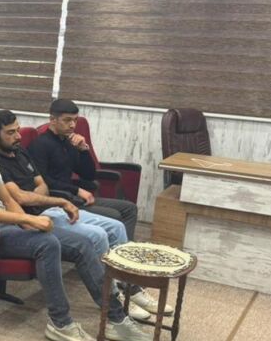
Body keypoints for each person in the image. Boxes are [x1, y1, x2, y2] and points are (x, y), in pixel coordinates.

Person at [0, 108, 150, 341]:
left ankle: (116, 319)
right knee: (47, 243)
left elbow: (7, 199)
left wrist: (26, 221)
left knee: (82, 244)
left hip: (9, 226)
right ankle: (61, 323)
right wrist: (29, 220)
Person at [0, 109, 157, 322]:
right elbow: (20, 198)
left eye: (18, 130)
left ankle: (132, 287)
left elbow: (44, 185)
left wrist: (81, 153)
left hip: (52, 206)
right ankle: (114, 295)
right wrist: (52, 197)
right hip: (42, 213)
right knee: (97, 236)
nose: (18, 136)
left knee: (117, 227)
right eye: (11, 132)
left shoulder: (20, 151)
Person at [28, 99, 170, 316]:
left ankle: (123, 271)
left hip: (75, 197)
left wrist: (83, 150)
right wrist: (76, 190)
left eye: (75, 120)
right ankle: (115, 277)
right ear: (52, 120)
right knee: (113, 218)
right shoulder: (41, 145)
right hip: (62, 200)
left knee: (128, 209)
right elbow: (44, 182)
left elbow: (88, 174)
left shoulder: (69, 142)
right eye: (67, 120)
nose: (72, 125)